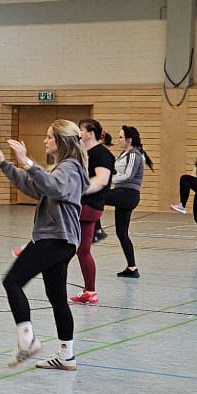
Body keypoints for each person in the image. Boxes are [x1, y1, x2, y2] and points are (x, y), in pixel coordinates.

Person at [0, 121, 84, 370]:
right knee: (57, 297)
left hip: (54, 238)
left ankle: (27, 340)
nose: (45, 141)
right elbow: (35, 187)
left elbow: (54, 187)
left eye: (49, 137)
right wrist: (5, 164)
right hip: (62, 241)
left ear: (61, 141)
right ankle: (66, 355)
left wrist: (27, 162)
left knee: (12, 282)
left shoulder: (70, 168)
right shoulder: (62, 168)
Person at [71, 119, 115, 305]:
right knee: (83, 251)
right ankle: (90, 291)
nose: (79, 133)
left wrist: (78, 190)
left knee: (71, 246)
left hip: (88, 206)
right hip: (83, 205)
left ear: (90, 133)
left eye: (81, 130)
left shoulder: (101, 153)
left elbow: (102, 180)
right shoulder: (83, 152)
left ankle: (32, 247)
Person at [102, 124, 148, 278]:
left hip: (128, 194)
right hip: (121, 194)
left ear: (129, 139)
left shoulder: (134, 154)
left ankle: (96, 230)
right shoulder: (123, 154)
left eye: (121, 137)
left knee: (96, 195)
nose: (119, 140)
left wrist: (106, 180)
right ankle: (132, 268)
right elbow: (115, 171)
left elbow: (128, 175)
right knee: (121, 233)